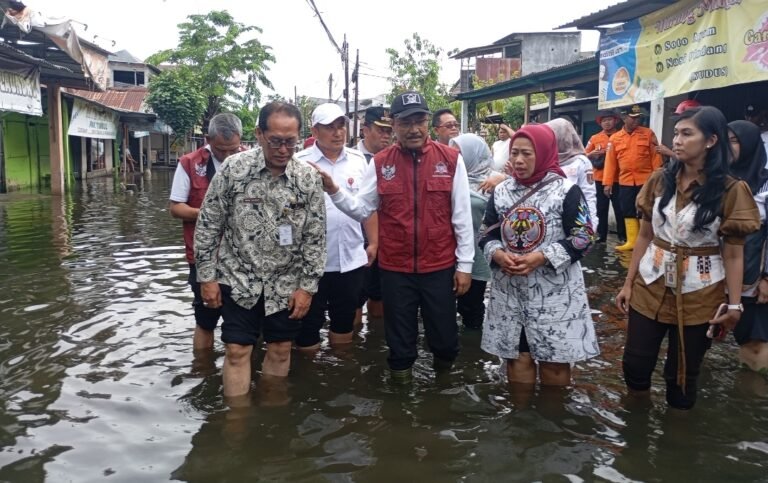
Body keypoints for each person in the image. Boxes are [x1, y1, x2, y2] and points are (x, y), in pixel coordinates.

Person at [312, 91, 475, 381]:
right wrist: (334, 190)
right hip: (395, 269)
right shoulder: (381, 162)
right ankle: (401, 397)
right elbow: (363, 207)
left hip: (439, 265)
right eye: (405, 122)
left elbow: (461, 216)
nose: (413, 129)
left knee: (446, 341)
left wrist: (464, 266)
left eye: (419, 120)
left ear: (427, 122)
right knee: (399, 346)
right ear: (395, 126)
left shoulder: (450, 159)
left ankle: (443, 391)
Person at [615, 106, 760, 409]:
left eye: (686, 133)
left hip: (701, 293)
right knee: (635, 366)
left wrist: (734, 305)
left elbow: (734, 254)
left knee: (682, 377)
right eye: (676, 133)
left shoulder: (731, 191)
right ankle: (636, 432)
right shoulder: (659, 180)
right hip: (650, 284)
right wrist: (628, 283)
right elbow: (644, 235)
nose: (677, 140)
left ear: (710, 141)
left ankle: (676, 440)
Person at [194, 102, 327, 398]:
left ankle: (272, 415)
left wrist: (307, 288)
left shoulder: (307, 179)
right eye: (275, 141)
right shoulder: (234, 169)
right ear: (259, 134)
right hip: (239, 277)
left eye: (290, 142)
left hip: (286, 283)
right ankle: (236, 423)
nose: (283, 149)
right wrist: (207, 278)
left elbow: (316, 237)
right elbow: (208, 224)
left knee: (280, 350)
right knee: (237, 350)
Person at [479, 123, 599, 386]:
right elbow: (485, 233)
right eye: (514, 154)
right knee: (518, 357)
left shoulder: (566, 191)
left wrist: (543, 257)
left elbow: (584, 236)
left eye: (527, 154)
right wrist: (498, 253)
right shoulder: (501, 191)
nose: (519, 161)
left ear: (544, 153)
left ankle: (552, 420)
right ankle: (521, 420)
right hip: (511, 290)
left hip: (555, 293)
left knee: (554, 362)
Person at [294, 103, 376, 350]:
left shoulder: (358, 160)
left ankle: (341, 377)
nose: (338, 132)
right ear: (315, 131)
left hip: (350, 258)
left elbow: (368, 206)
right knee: (307, 330)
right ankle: (310, 381)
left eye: (341, 125)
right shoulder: (298, 162)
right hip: (310, 263)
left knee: (344, 326)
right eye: (330, 127)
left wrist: (374, 242)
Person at [169, 113, 243, 351]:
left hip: (244, 257)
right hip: (204, 256)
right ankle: (202, 371)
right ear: (209, 141)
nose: (229, 156)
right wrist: (209, 214)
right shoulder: (190, 163)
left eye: (234, 149)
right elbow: (176, 208)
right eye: (222, 150)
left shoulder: (252, 162)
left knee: (247, 320)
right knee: (205, 319)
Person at [728, 120, 768, 373]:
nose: (727, 146)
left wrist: (767, 277)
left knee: (753, 342)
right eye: (724, 140)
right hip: (708, 275)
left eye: (734, 140)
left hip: (751, 277)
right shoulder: (713, 178)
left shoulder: (765, 187)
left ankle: (751, 397)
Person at [603, 104, 663, 251]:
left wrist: (657, 179)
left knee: (645, 209)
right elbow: (610, 162)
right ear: (624, 118)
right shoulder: (615, 138)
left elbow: (656, 157)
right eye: (633, 118)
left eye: (639, 118)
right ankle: (632, 241)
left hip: (646, 180)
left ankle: (647, 241)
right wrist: (608, 183)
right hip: (626, 181)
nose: (637, 121)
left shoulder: (648, 134)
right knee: (627, 209)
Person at [448, 133, 493, 330]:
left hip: (477, 257)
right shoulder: (449, 179)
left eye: (460, 152)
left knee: (472, 309)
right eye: (453, 151)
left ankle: (473, 353)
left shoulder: (494, 183)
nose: (455, 156)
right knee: (442, 310)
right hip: (448, 255)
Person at [356, 106, 393, 319]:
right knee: (354, 299)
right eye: (381, 130)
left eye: (389, 131)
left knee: (380, 298)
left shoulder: (395, 158)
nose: (386, 135)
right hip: (358, 241)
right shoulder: (351, 159)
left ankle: (374, 343)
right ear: (365, 130)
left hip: (388, 241)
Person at [546, 118, 599, 230]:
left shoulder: (581, 162)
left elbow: (588, 195)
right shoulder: (545, 159)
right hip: (549, 219)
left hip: (574, 218)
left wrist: (591, 226)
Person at [586, 111, 625, 243]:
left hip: (618, 179)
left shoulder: (621, 136)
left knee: (619, 208)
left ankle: (622, 236)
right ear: (600, 123)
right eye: (604, 121)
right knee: (601, 209)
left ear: (616, 121)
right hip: (599, 178)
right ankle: (601, 235)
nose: (607, 123)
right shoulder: (594, 138)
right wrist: (592, 153)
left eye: (609, 120)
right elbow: (583, 155)